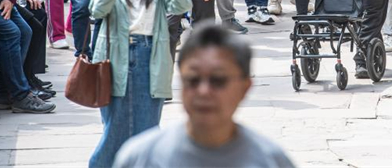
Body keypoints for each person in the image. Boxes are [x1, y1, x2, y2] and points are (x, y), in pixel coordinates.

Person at [112, 24, 296, 168]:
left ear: (244, 88)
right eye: (193, 80)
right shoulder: (139, 159)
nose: (203, 91)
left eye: (218, 80)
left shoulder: (271, 161)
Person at [88, 0, 193, 168]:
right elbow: (96, 10)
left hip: (150, 56)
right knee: (114, 129)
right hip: (115, 58)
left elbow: (183, 4)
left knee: (148, 131)